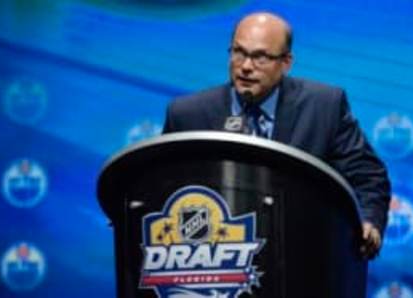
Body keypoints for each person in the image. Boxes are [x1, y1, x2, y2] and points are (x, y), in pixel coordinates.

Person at [162, 12, 390, 259]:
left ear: (286, 63)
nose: (246, 66)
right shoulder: (187, 114)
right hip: (213, 260)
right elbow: (161, 187)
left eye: (260, 57)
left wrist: (368, 221)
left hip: (299, 255)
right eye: (238, 52)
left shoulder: (324, 106)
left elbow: (367, 175)